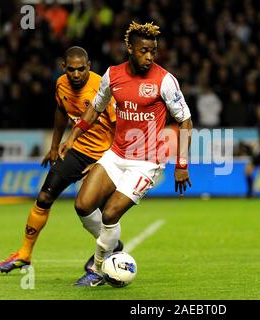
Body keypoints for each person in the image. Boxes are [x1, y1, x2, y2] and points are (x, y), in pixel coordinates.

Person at [58, 21, 193, 286]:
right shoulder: (112, 75)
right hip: (117, 154)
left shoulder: (164, 80)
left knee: (110, 214)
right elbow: (95, 108)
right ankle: (112, 245)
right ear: (129, 48)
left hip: (147, 163)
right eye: (144, 51)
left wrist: (182, 164)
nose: (149, 57)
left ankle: (96, 270)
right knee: (83, 205)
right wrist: (72, 136)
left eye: (153, 51)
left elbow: (185, 121)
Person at [0, 46, 122, 273]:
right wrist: (54, 146)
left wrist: (106, 160)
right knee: (44, 196)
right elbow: (61, 111)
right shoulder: (61, 84)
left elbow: (120, 126)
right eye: (71, 70)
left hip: (105, 154)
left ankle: (112, 245)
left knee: (95, 208)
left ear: (89, 66)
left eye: (80, 69)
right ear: (63, 68)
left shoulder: (102, 87)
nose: (75, 75)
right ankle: (24, 254)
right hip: (77, 149)